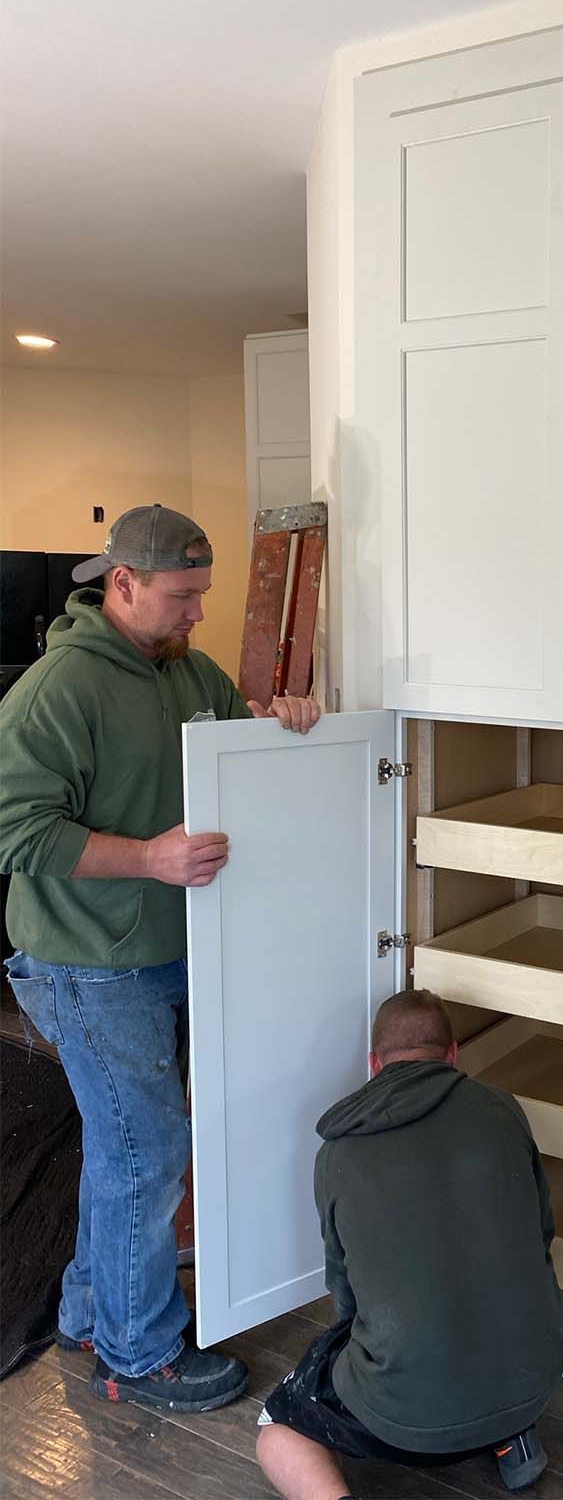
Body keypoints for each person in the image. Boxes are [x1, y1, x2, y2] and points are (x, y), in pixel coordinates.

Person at [0, 503, 321, 1413]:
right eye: (182, 597)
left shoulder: (189, 672)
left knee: (124, 1148)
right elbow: (13, 831)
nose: (197, 614)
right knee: (146, 1153)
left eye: (204, 596)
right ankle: (138, 1356)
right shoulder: (56, 691)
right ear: (124, 584)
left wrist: (284, 720)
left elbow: (239, 749)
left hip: (168, 952)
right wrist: (149, 857)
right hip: (86, 962)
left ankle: (89, 1306)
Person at [255, 988, 563, 1499]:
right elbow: (540, 1233)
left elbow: (346, 1293)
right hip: (531, 1378)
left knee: (276, 1435)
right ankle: (511, 1438)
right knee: (488, 1310)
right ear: (452, 1055)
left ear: (374, 1064)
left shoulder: (338, 1156)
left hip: (407, 1412)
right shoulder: (502, 1110)